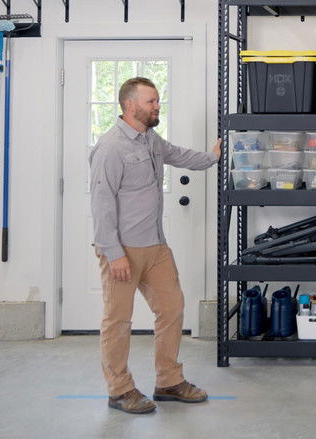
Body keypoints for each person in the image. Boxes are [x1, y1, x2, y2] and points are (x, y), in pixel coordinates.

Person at [89, 77, 222, 414]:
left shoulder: (150, 139)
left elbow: (178, 154)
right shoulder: (110, 147)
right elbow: (102, 205)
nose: (157, 106)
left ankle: (168, 381)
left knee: (172, 308)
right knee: (118, 321)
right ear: (130, 106)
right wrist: (114, 252)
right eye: (151, 102)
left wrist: (212, 157)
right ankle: (120, 390)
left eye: (157, 101)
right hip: (123, 250)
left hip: (155, 246)